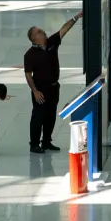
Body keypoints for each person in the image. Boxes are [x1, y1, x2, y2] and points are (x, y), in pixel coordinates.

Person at [24, 11, 83, 153]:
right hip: (40, 89)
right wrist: (35, 91)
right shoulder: (30, 55)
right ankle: (34, 144)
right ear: (34, 39)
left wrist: (76, 17)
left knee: (51, 115)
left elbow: (64, 30)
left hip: (54, 87)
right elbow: (28, 74)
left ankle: (46, 141)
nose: (42, 32)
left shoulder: (52, 43)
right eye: (39, 32)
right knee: (38, 116)